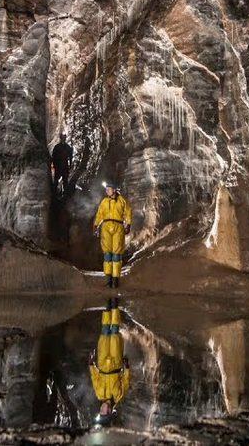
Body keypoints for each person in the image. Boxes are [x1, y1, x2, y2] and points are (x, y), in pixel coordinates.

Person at [89, 297, 130, 426]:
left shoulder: (99, 394)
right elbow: (125, 381)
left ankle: (107, 309)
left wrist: (91, 364)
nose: (102, 409)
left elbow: (95, 378)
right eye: (104, 412)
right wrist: (127, 368)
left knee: (105, 333)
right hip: (116, 364)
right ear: (110, 411)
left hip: (102, 364)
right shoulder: (118, 397)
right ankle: (115, 307)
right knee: (114, 333)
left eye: (100, 411)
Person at [93, 181, 132, 288]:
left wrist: (128, 224)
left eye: (108, 189)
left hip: (118, 227)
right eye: (106, 189)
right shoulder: (104, 201)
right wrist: (96, 225)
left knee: (116, 254)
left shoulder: (122, 201)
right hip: (106, 227)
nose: (107, 191)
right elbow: (100, 214)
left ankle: (115, 280)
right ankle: (108, 279)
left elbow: (128, 212)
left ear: (114, 190)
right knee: (107, 254)